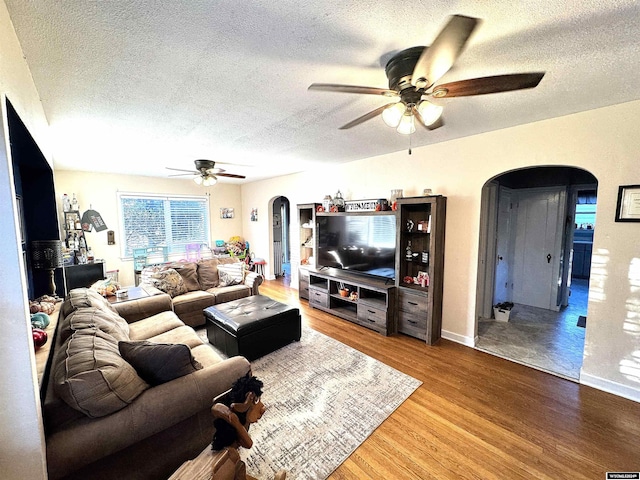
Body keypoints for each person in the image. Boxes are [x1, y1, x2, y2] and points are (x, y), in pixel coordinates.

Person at [211, 374, 286, 480]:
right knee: (236, 466)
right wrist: (235, 418)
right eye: (256, 401)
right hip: (224, 461)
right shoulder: (234, 420)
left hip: (229, 457)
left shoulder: (238, 424)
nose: (262, 408)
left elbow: (245, 442)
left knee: (239, 469)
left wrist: (238, 420)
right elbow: (248, 443)